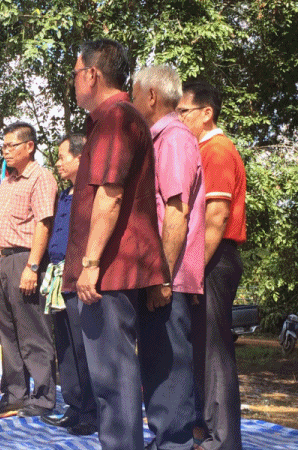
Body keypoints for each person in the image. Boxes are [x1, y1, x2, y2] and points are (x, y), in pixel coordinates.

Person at [62, 39, 170, 450]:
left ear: (92, 74)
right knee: (114, 375)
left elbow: (110, 195)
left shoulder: (116, 119)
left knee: (112, 377)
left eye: (76, 73)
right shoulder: (115, 119)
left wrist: (90, 263)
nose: (73, 81)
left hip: (108, 271)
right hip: (115, 269)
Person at [133, 65, 206, 450]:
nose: (131, 102)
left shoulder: (174, 139)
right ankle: (166, 439)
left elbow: (176, 212)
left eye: (134, 94)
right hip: (162, 275)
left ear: (151, 96)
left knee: (169, 368)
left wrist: (161, 275)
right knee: (157, 366)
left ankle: (174, 443)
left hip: (169, 278)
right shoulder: (159, 139)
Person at [178, 80, 246, 450]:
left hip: (214, 259)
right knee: (201, 348)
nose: (179, 118)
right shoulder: (201, 149)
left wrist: (193, 271)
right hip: (205, 259)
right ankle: (203, 430)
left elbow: (217, 217)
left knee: (216, 351)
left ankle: (223, 440)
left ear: (207, 113)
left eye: (184, 111)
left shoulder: (217, 150)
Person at [0, 121, 58, 418]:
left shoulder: (41, 177)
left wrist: (32, 266)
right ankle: (15, 393)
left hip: (24, 259)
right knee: (5, 330)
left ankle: (43, 397)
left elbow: (44, 223)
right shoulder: (7, 182)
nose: (6, 151)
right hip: (1, 261)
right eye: (3, 146)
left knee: (32, 331)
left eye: (11, 145)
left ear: (29, 146)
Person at [40, 134, 98, 436]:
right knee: (63, 343)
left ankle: (91, 412)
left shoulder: (92, 193)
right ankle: (73, 406)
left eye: (63, 157)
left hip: (80, 276)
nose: (58, 163)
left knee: (82, 345)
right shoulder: (64, 195)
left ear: (79, 157)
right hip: (58, 277)